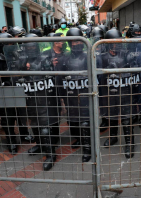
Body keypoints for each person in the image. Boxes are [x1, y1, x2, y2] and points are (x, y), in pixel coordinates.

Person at [7, 34, 59, 170]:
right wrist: (23, 68)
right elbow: (13, 77)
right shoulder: (21, 60)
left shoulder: (45, 58)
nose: (30, 48)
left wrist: (38, 68)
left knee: (44, 127)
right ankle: (40, 145)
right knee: (34, 125)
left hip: (43, 98)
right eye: (27, 46)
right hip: (29, 98)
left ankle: (50, 154)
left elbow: (51, 76)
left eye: (32, 46)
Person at [97, 29, 139, 158]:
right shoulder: (101, 57)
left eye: (118, 42)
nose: (116, 45)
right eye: (114, 43)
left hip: (125, 91)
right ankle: (113, 137)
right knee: (111, 116)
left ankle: (129, 144)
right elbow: (97, 75)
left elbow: (135, 73)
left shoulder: (127, 55)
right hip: (109, 92)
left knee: (126, 119)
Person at [60, 28, 91, 162]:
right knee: (74, 120)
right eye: (73, 41)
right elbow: (60, 79)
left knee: (85, 122)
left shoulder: (88, 56)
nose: (76, 44)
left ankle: (88, 148)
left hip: (85, 94)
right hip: (71, 95)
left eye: (78, 41)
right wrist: (63, 96)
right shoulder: (65, 58)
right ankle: (79, 140)